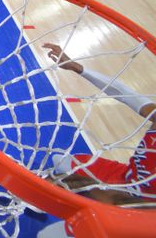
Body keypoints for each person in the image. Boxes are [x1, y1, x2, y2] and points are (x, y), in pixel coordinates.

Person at [44, 43, 155, 199]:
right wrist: (77, 67)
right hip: (126, 176)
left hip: (142, 206)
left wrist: (100, 193)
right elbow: (124, 93)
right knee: (61, 162)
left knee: (76, 215)